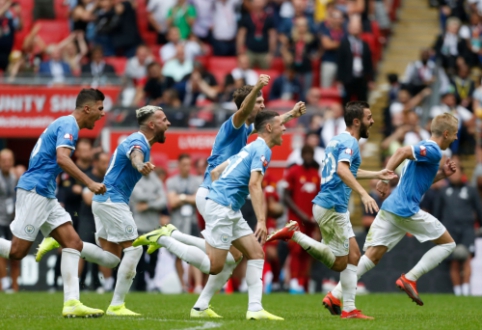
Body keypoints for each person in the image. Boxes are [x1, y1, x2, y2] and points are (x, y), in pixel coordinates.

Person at [148, 76, 305, 318]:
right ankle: (169, 237)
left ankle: (204, 306)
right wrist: (258, 87)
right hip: (213, 193)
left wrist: (291, 114)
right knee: (216, 262)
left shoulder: (248, 132)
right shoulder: (233, 125)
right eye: (259, 101)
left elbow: (270, 126)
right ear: (248, 104)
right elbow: (248, 113)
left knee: (237, 256)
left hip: (225, 199)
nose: (262, 105)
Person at [267, 101, 397, 319]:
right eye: (368, 118)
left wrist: (377, 174)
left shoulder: (337, 140)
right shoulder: (350, 142)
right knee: (339, 263)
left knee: (354, 255)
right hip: (332, 207)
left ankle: (349, 309)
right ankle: (295, 234)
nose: (372, 121)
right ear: (357, 121)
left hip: (332, 206)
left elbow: (347, 170)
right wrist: (364, 194)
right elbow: (342, 169)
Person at [330, 113, 459, 308]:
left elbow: (420, 181)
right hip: (405, 209)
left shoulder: (424, 147)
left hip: (391, 207)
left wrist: (442, 174)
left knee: (372, 257)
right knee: (448, 245)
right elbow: (400, 152)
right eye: (455, 134)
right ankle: (410, 278)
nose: (456, 138)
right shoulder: (433, 150)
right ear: (447, 133)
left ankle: (334, 294)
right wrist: (383, 178)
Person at [0, 89, 109, 317]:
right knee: (17, 252)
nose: (102, 113)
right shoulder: (69, 125)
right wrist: (89, 181)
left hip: (45, 192)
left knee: (73, 243)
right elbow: (62, 158)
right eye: (100, 108)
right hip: (35, 190)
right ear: (87, 108)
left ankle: (71, 304)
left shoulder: (65, 124)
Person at [433, 163, 482, 296]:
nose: (454, 176)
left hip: (467, 230)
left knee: (466, 259)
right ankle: (457, 292)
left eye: (457, 172)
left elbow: (479, 209)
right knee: (454, 261)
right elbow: (437, 213)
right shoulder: (443, 191)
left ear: (462, 174)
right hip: (449, 231)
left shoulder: (470, 190)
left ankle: (466, 291)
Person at [283, 145, 320, 293]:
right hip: (295, 220)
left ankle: (305, 283)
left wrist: (316, 219)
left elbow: (318, 198)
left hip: (311, 222)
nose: (308, 156)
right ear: (302, 154)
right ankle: (293, 281)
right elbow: (286, 196)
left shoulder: (315, 175)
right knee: (296, 251)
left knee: (309, 251)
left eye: (310, 153)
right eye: (305, 153)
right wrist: (301, 214)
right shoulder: (294, 171)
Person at [0, 149, 19, 292]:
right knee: (1, 252)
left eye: (9, 160)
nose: (6, 163)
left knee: (15, 252)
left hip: (12, 220)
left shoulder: (15, 176)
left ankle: (15, 285)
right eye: (3, 160)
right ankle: (4, 283)